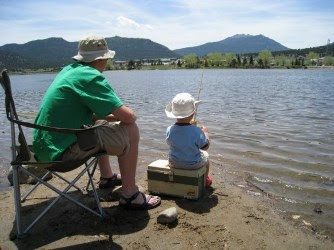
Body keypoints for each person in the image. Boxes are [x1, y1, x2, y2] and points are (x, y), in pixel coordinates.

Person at [32, 35, 161, 210]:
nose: (107, 62)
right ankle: (130, 194)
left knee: (100, 124)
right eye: (107, 58)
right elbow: (128, 117)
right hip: (62, 154)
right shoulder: (90, 76)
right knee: (131, 129)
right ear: (101, 59)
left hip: (45, 150)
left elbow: (92, 114)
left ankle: (107, 177)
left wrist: (113, 117)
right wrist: (130, 114)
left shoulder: (70, 70)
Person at [165, 93, 212, 187]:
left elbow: (171, 142)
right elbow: (205, 147)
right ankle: (205, 180)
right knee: (206, 157)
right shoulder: (197, 131)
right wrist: (206, 133)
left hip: (173, 162)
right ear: (193, 113)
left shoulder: (169, 129)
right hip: (193, 164)